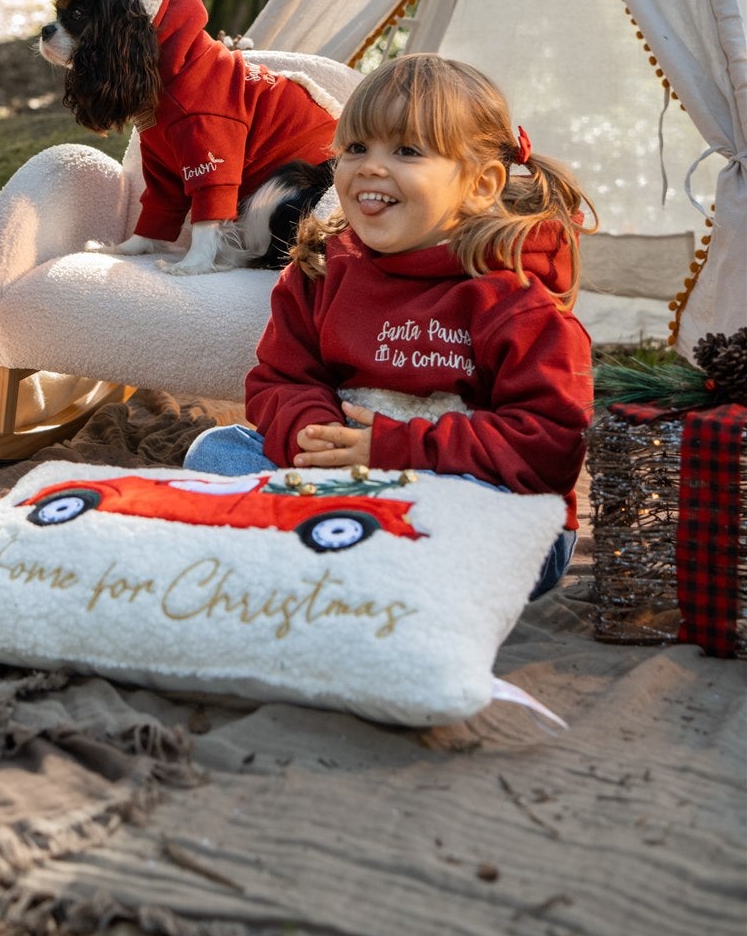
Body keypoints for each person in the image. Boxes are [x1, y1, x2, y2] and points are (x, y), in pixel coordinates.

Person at [184, 53, 592, 598]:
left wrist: (393, 450)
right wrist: (313, 434)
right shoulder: (321, 269)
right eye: (356, 148)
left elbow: (549, 445)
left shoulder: (516, 299)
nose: (371, 167)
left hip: (458, 489)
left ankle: (325, 551)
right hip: (337, 476)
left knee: (503, 527)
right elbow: (281, 380)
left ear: (480, 183)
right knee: (215, 453)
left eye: (406, 151)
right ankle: (348, 550)